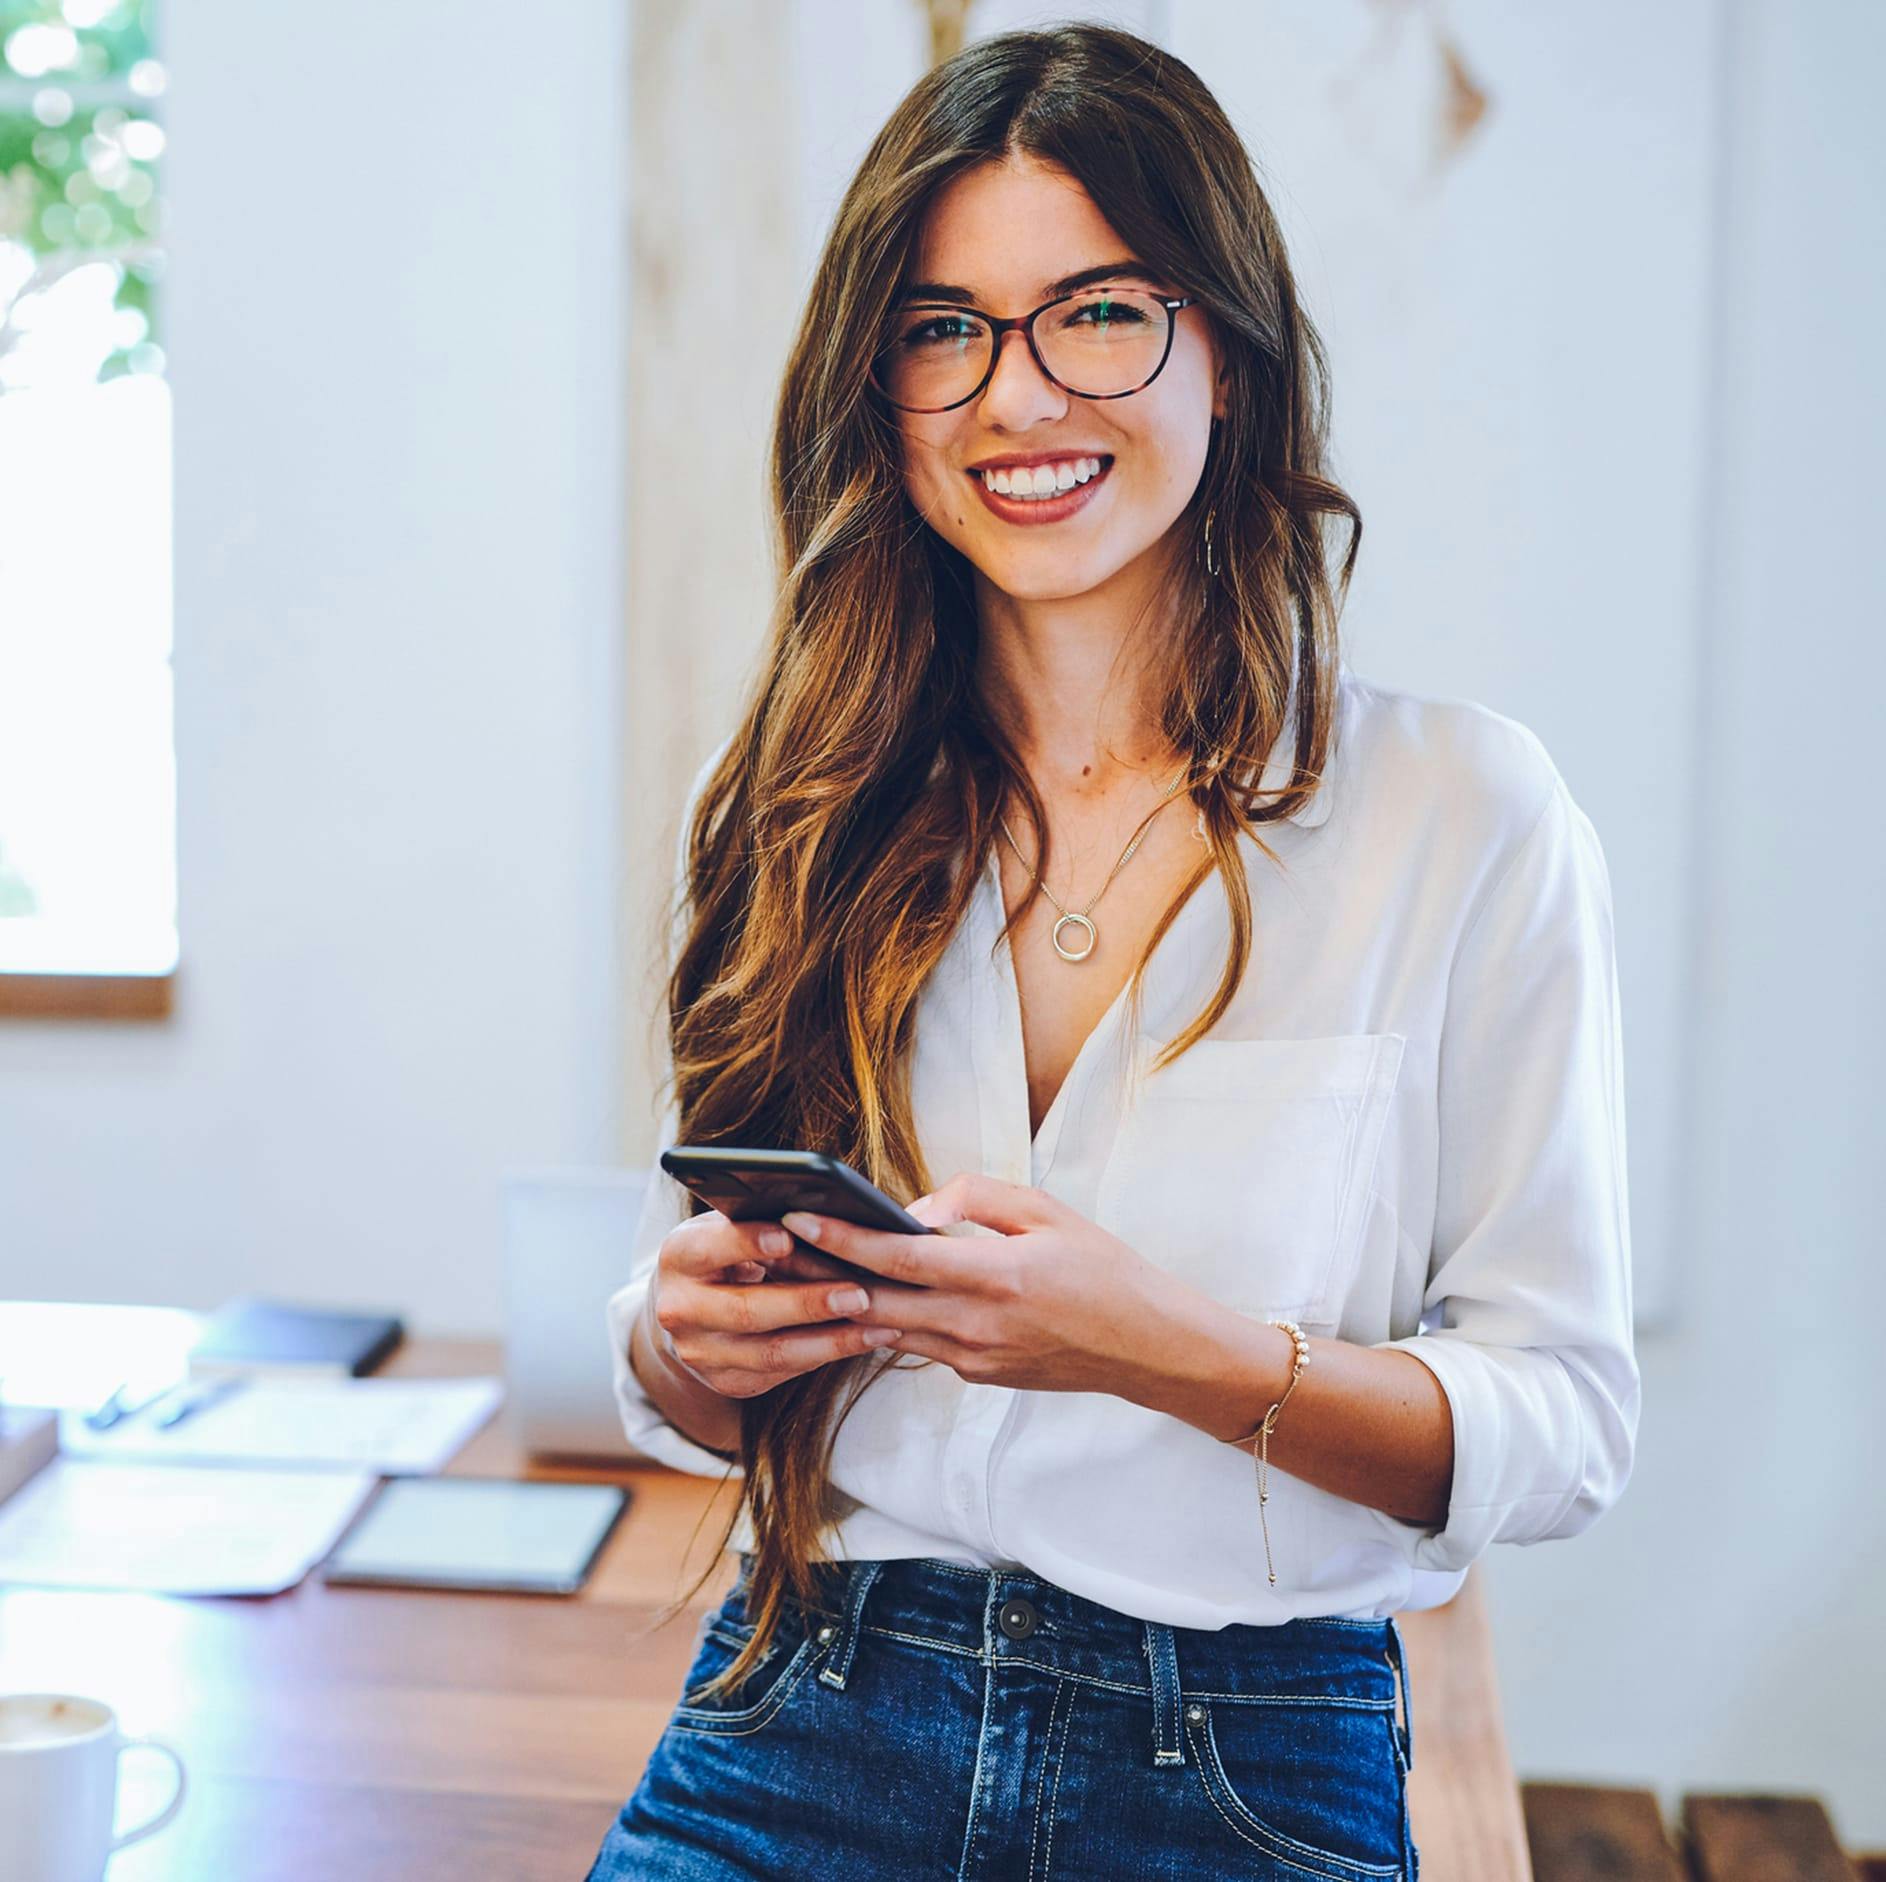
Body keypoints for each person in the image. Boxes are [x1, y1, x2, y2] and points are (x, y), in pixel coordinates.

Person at [587, 22, 1638, 1881]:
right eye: (942, 327)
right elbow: (700, 1377)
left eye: (1095, 311)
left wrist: (1159, 1348)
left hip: (1241, 1745)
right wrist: (683, 1341)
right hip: (805, 1699)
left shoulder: (1461, 813)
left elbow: (1558, 1422)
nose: (1014, 396)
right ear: (878, 385)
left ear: (1220, 349)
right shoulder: (783, 802)